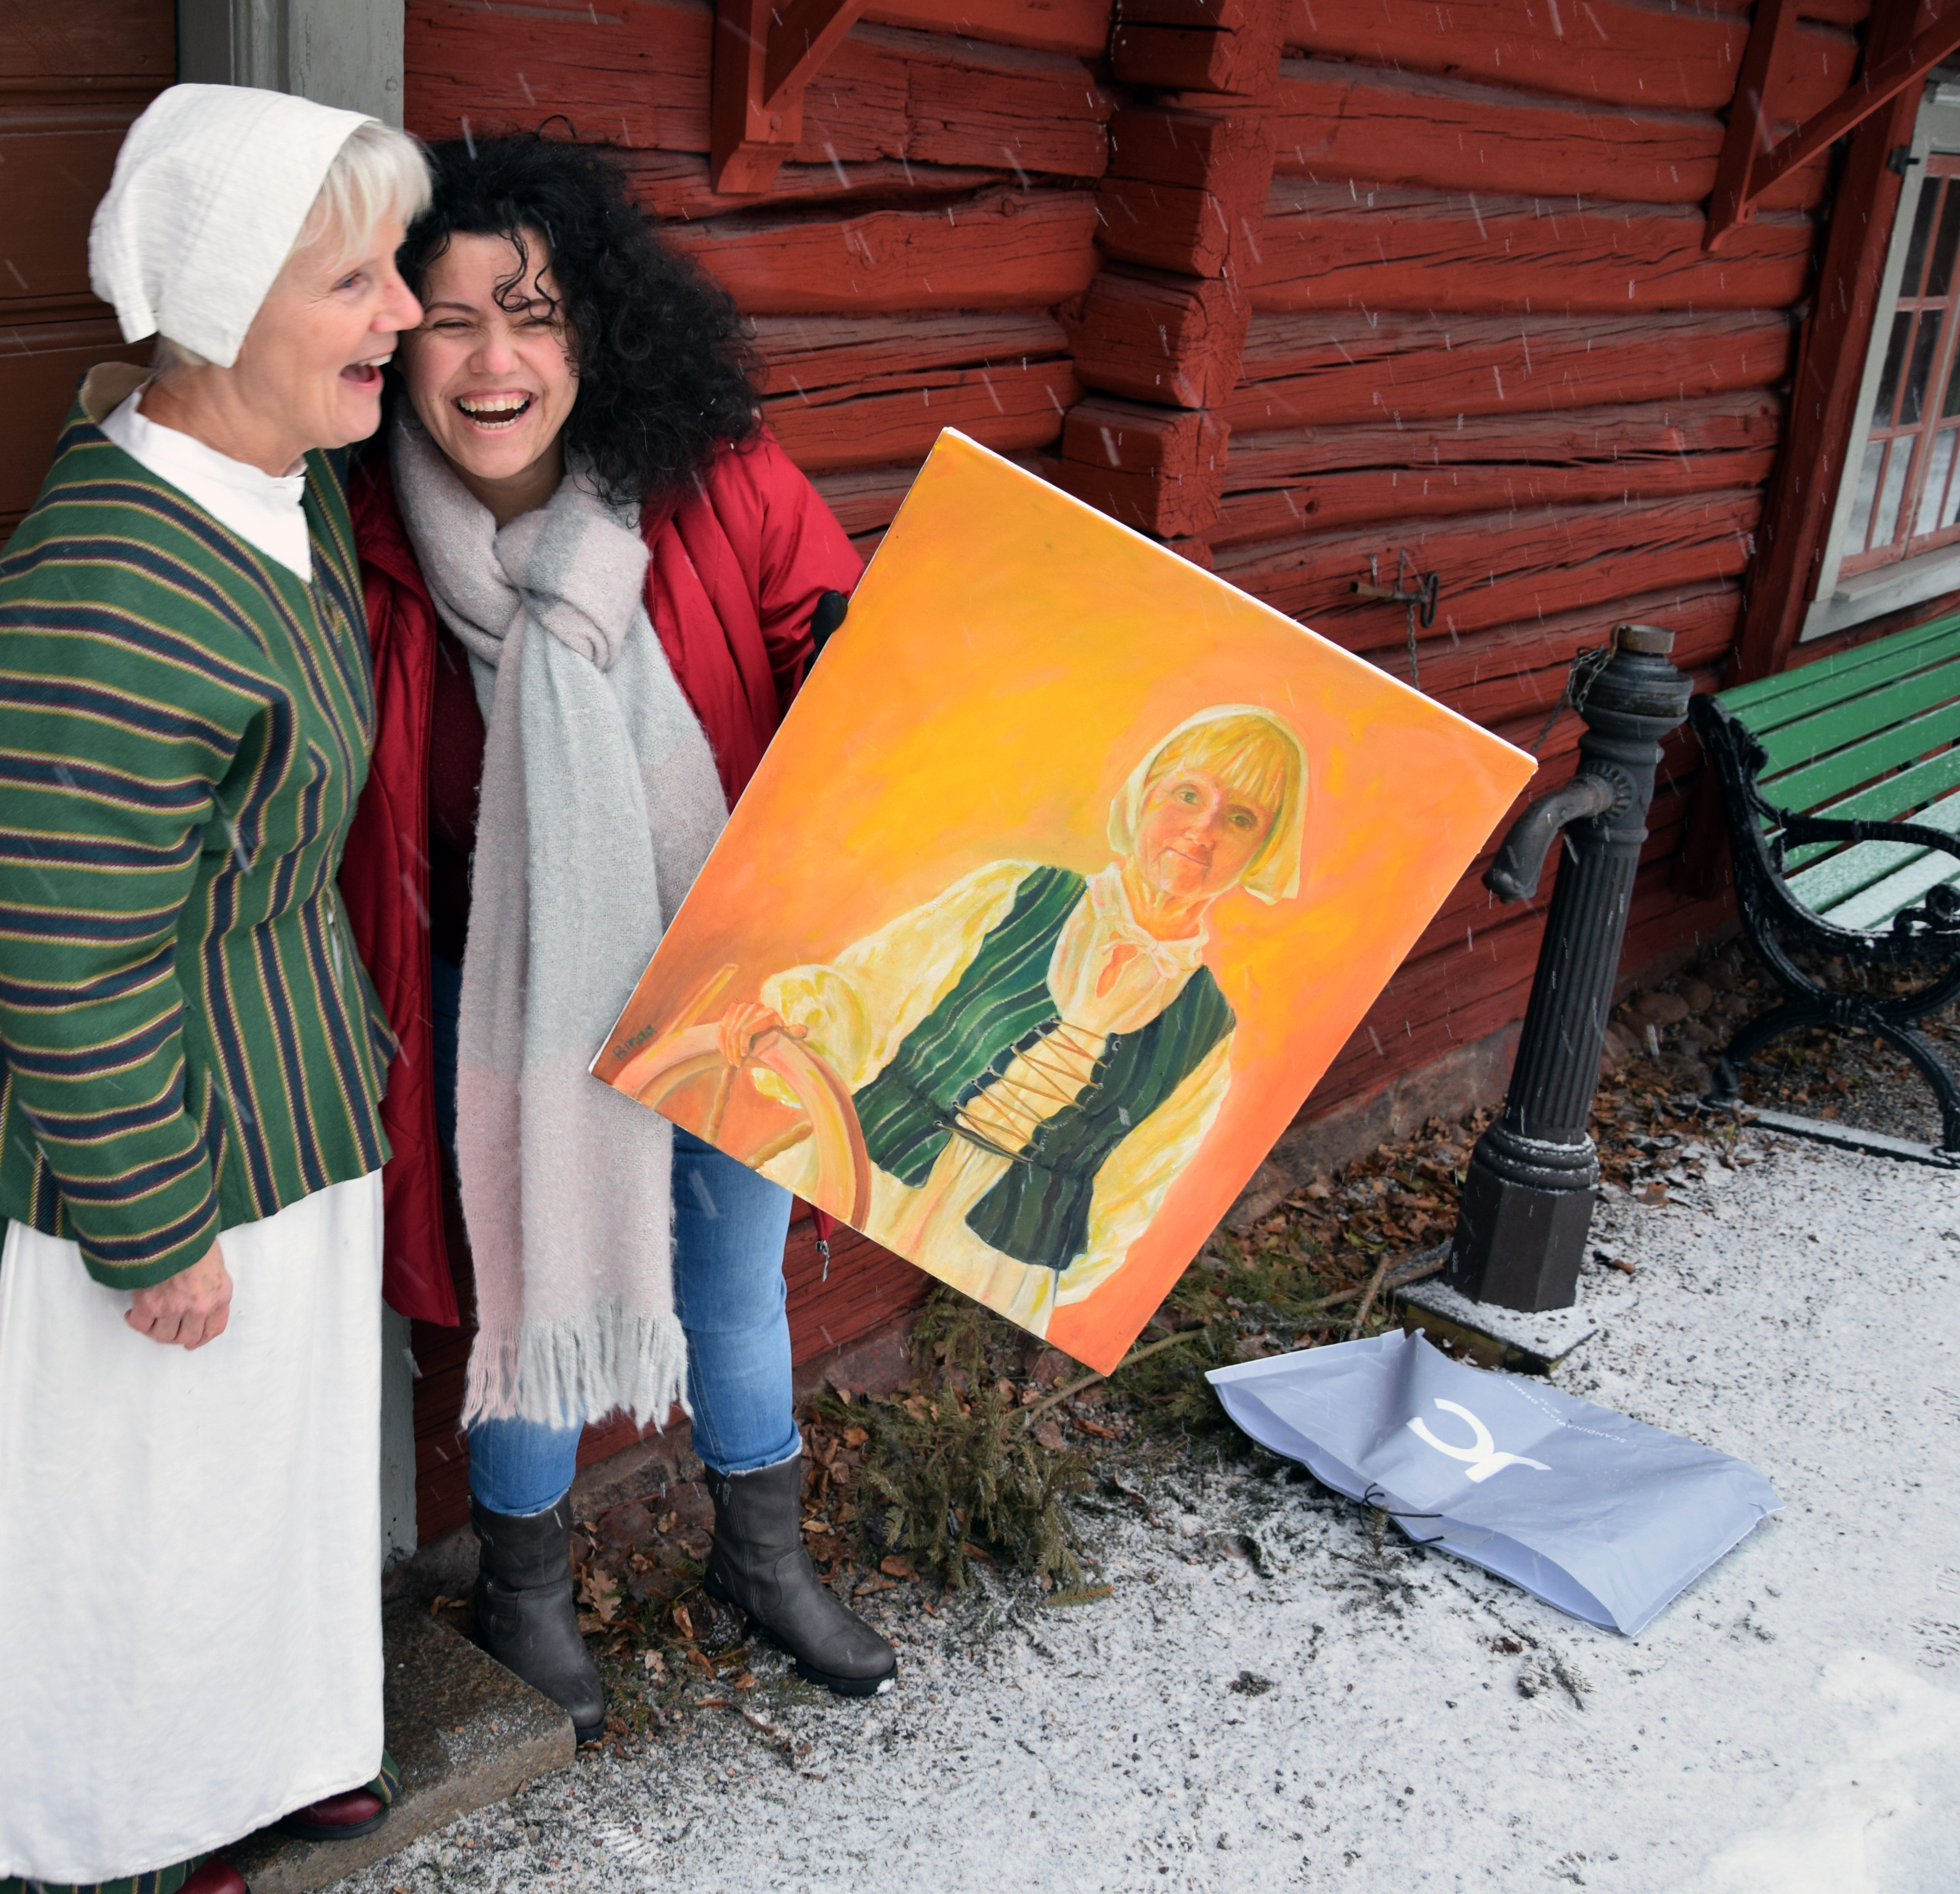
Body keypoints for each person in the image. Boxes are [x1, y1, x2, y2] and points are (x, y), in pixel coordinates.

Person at [0, 86, 430, 1894]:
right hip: (133, 1126)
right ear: (224, 305)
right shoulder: (101, 588)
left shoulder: (274, 486)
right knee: (124, 1496)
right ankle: (111, 1819)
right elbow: (70, 947)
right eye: (356, 278)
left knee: (264, 1465)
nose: (402, 312)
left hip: (284, 1077)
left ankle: (270, 1734)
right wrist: (149, 1220)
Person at [336, 131, 894, 1745]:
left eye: (534, 312)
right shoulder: (360, 530)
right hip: (492, 979)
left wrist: (871, 660)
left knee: (731, 1271)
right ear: (398, 340)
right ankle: (522, 1588)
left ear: (593, 330)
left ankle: (759, 1559)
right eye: (452, 319)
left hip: (723, 953)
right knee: (531, 1286)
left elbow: (824, 632)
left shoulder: (711, 472)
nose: (496, 359)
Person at [729, 704, 1309, 1335]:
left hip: (999, 1260)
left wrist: (1047, 1276)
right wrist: (794, 1033)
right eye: (1189, 793)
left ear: (1264, 851)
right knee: (756, 1300)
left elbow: (1138, 1183)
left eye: (1241, 818)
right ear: (1146, 793)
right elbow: (869, 995)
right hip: (871, 1165)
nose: (1203, 829)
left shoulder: (1209, 1030)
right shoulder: (1014, 891)